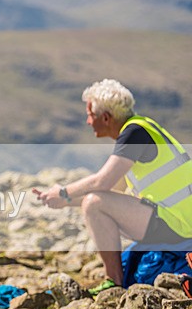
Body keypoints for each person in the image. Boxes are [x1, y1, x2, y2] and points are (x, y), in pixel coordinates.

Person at [34, 79, 192, 293]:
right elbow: (113, 190)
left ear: (106, 118)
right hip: (178, 221)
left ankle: (113, 283)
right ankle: (116, 281)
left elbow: (102, 182)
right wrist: (65, 202)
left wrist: (63, 191)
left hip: (179, 225)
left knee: (94, 203)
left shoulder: (134, 132)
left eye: (90, 115)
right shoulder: (142, 127)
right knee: (94, 201)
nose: (88, 121)